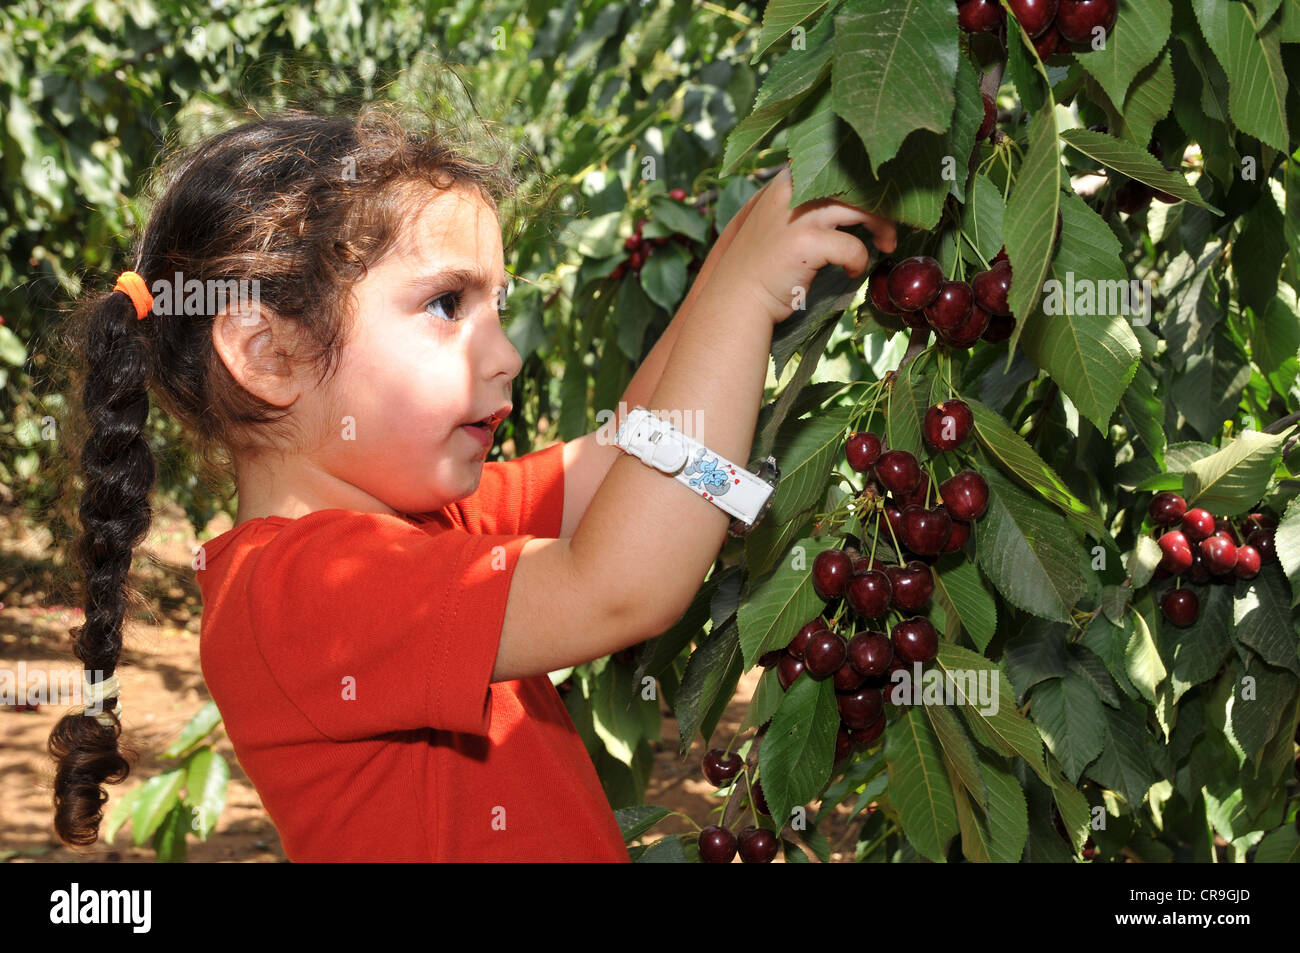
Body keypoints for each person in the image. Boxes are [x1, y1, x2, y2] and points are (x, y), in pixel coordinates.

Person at [48, 102, 897, 861]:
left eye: (498, 306)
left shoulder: (430, 522)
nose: (509, 356)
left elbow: (620, 459)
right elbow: (621, 585)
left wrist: (741, 252)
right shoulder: (299, 593)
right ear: (272, 353)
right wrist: (745, 293)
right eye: (448, 304)